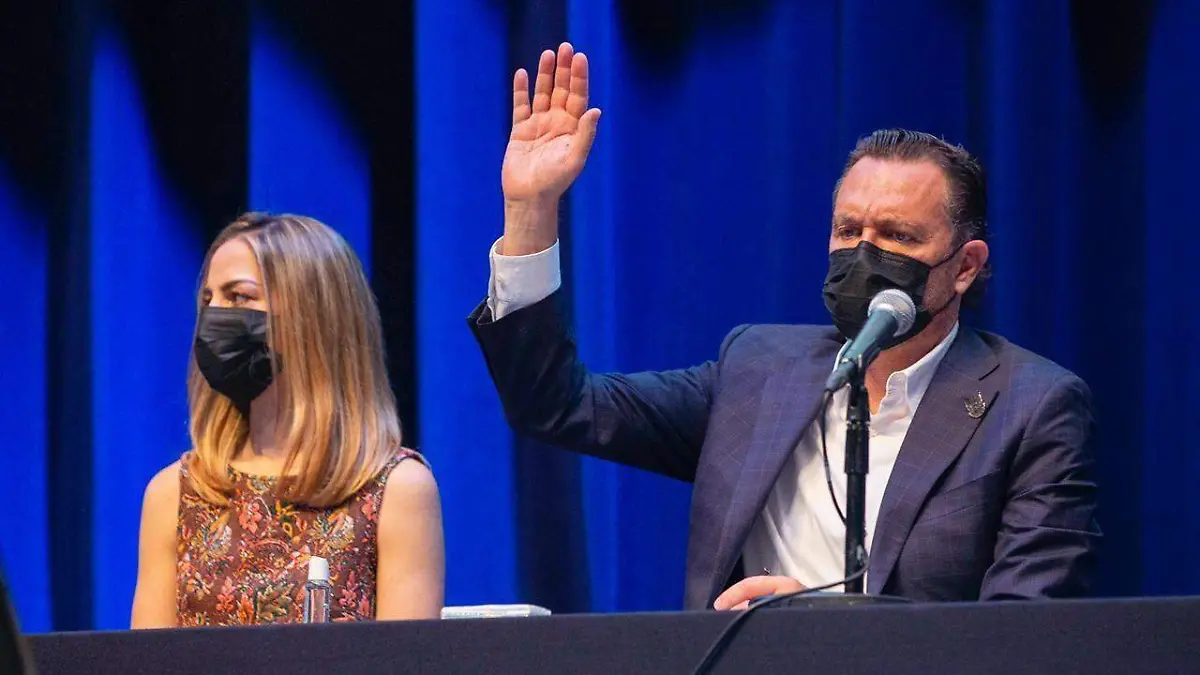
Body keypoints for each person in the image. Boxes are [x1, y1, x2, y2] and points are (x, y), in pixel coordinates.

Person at [469, 43, 1100, 610]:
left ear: (964, 267)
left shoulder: (1031, 406)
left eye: (898, 237)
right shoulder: (759, 370)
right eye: (848, 231)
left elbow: (1022, 631)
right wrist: (531, 209)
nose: (865, 254)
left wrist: (819, 627)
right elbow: (554, 404)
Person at [132, 213, 444, 627]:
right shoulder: (174, 493)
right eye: (208, 301)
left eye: (238, 297)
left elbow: (406, 657)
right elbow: (147, 657)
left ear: (313, 316)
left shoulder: (395, 490)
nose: (215, 318)